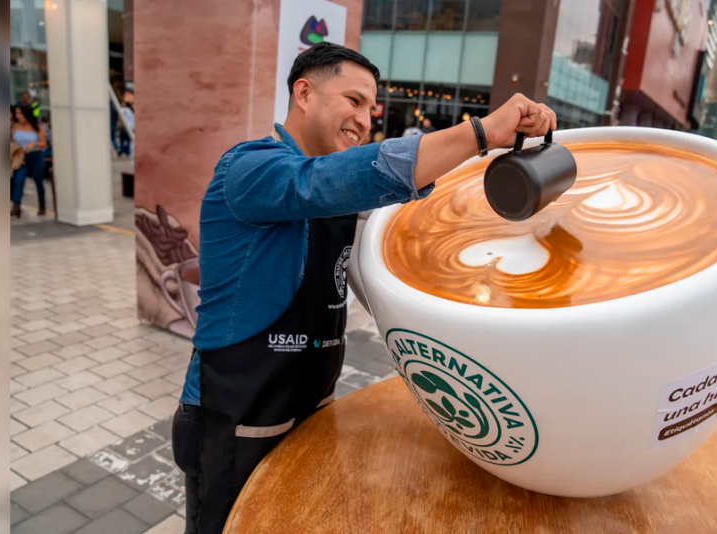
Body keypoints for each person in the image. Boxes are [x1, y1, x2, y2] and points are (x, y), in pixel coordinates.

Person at [171, 42, 555, 534]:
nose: (364, 119)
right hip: (234, 422)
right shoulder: (249, 170)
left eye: (371, 109)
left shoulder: (340, 194)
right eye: (352, 100)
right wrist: (480, 132)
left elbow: (396, 262)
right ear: (303, 93)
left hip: (310, 414)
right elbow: (328, 182)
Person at [10, 105, 48, 217]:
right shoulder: (15, 126)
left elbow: (44, 143)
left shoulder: (37, 127)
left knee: (38, 181)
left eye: (20, 113)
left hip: (35, 156)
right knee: (18, 180)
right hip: (20, 157)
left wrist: (33, 143)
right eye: (17, 113)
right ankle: (16, 206)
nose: (18, 116)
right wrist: (15, 149)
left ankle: (42, 205)